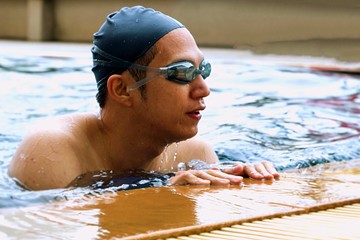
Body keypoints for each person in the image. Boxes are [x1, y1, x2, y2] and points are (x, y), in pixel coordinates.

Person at [8, 6, 279, 190]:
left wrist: (249, 180)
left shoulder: (194, 153)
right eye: (181, 72)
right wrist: (163, 191)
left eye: (202, 70)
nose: (203, 89)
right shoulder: (51, 151)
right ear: (123, 90)